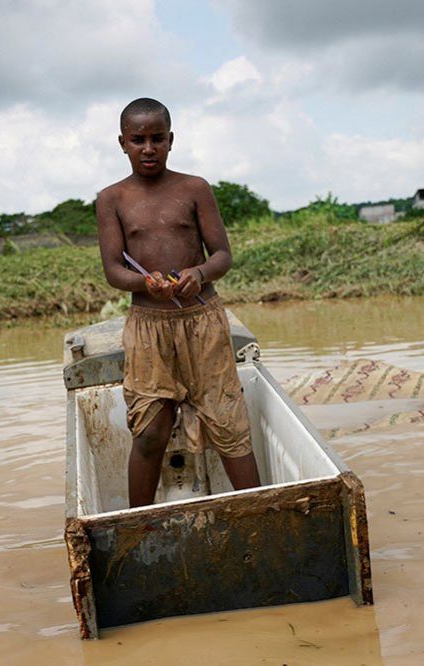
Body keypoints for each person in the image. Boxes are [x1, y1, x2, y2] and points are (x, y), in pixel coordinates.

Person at [95, 97, 261, 507]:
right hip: (148, 326)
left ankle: (261, 512)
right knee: (150, 429)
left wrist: (198, 274)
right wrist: (146, 281)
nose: (148, 148)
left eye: (157, 138)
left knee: (228, 423)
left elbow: (222, 255)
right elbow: (114, 270)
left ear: (171, 140)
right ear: (122, 143)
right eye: (138, 140)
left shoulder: (194, 188)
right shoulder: (111, 199)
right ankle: (140, 524)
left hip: (202, 320)